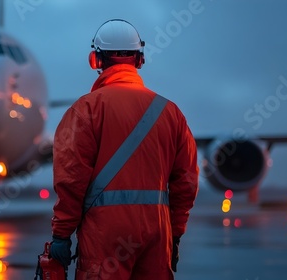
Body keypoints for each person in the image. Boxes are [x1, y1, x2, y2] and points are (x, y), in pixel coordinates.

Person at [49, 19, 199, 279]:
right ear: (139, 60)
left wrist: (62, 234)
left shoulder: (85, 111)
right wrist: (175, 232)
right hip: (157, 235)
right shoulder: (171, 113)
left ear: (95, 60)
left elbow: (70, 179)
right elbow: (186, 181)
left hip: (104, 236)